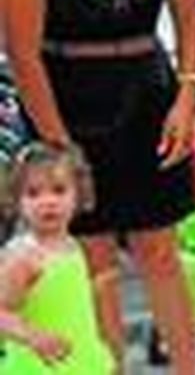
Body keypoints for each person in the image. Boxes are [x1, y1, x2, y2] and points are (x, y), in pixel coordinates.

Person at [0, 0, 195, 372]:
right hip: (69, 101)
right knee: (92, 263)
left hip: (149, 94)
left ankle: (189, 366)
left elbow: (189, 18)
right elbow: (23, 53)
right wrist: (59, 145)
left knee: (161, 251)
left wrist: (187, 96)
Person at [0, 144, 115, 374]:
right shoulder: (24, 257)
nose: (47, 202)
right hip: (39, 366)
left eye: (59, 190)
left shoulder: (74, 246)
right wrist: (33, 337)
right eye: (33, 193)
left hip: (79, 360)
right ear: (17, 200)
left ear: (79, 195)